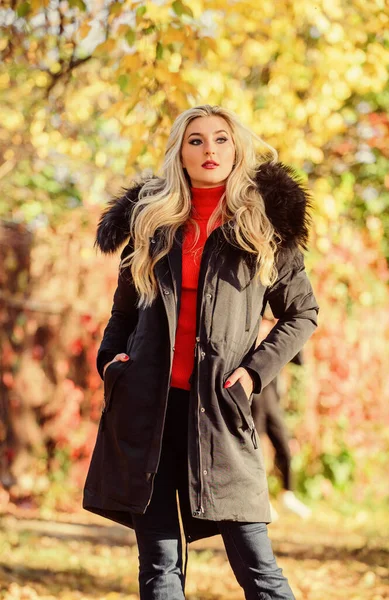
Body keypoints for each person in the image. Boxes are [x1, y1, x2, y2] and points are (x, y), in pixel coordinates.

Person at [83, 104, 319, 600]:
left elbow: (301, 315)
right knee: (159, 566)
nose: (209, 150)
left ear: (237, 149)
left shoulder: (263, 226)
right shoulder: (152, 222)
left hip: (219, 411)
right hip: (148, 411)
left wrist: (255, 374)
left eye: (220, 139)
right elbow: (123, 314)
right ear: (180, 152)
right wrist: (111, 363)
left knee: (257, 564)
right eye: (196, 140)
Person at [251, 344, 312, 521]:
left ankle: (287, 494)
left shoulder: (275, 338)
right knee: (257, 451)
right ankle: (262, 498)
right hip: (256, 398)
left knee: (285, 446)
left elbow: (299, 360)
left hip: (272, 400)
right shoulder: (252, 334)